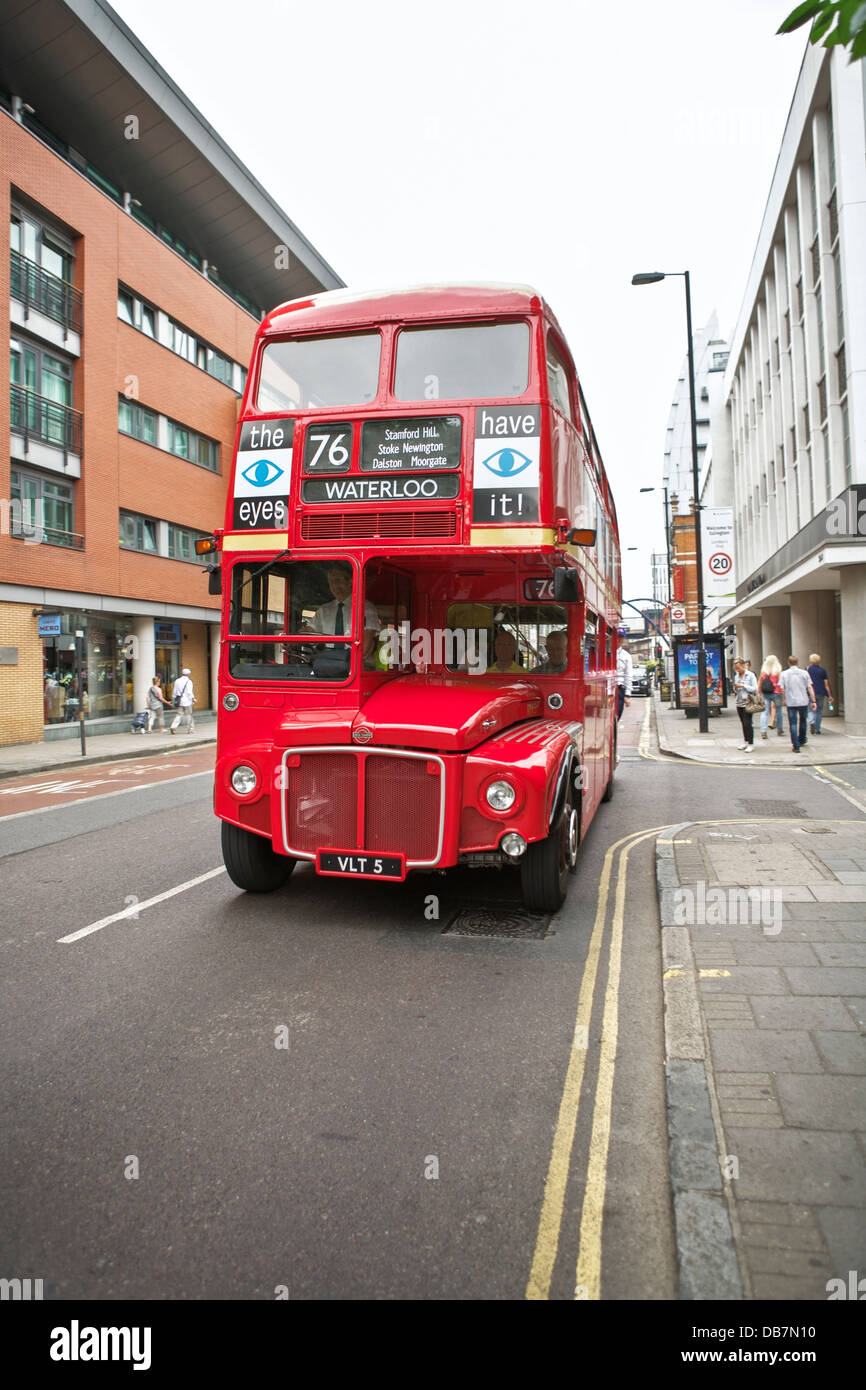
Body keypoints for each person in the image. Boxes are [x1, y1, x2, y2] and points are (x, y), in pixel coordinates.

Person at [302, 561, 380, 663]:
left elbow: (365, 647)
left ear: (350, 582)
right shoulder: (324, 610)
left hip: (357, 666)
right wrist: (291, 640)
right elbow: (309, 631)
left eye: (338, 580)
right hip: (329, 662)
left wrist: (348, 663)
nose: (335, 585)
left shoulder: (366, 608)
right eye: (331, 582)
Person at [778, 655, 816, 754]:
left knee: (793, 723)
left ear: (788, 663)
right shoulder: (804, 673)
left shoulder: (784, 674)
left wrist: (784, 699)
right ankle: (802, 739)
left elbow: (782, 688)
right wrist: (814, 701)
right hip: (803, 700)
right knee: (803, 720)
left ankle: (796, 745)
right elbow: (810, 687)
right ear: (797, 663)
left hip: (791, 702)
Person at [732, 658, 758, 750]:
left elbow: (755, 688)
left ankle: (751, 744)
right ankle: (745, 741)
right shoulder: (736, 676)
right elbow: (735, 689)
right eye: (736, 669)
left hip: (748, 702)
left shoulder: (750, 675)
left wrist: (743, 685)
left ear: (743, 666)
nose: (737, 670)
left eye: (738, 668)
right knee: (743, 723)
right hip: (739, 702)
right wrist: (735, 687)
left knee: (748, 723)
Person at [757, 655, 784, 740]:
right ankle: (779, 729)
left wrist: (759, 692)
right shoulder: (778, 671)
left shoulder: (764, 671)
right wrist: (784, 695)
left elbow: (760, 682)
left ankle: (763, 731)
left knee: (764, 712)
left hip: (765, 693)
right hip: (777, 693)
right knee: (779, 711)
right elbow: (781, 683)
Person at [807, 653, 834, 734]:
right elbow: (826, 685)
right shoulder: (822, 671)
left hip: (811, 692)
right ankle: (817, 729)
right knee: (819, 711)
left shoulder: (807, 669)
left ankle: (812, 721)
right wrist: (829, 695)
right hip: (821, 693)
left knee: (811, 709)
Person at [170, 667, 196, 734]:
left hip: (179, 701)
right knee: (189, 715)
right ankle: (190, 729)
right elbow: (189, 692)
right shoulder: (189, 681)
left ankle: (173, 726)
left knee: (179, 714)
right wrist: (193, 698)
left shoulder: (177, 681)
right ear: (188, 674)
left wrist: (174, 698)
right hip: (187, 701)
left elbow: (174, 691)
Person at [616, 640, 632, 720]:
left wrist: (627, 695)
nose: (618, 639)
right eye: (618, 636)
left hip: (619, 689)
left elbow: (628, 675)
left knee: (618, 712)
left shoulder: (626, 656)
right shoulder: (604, 651)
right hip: (605, 688)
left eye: (621, 637)